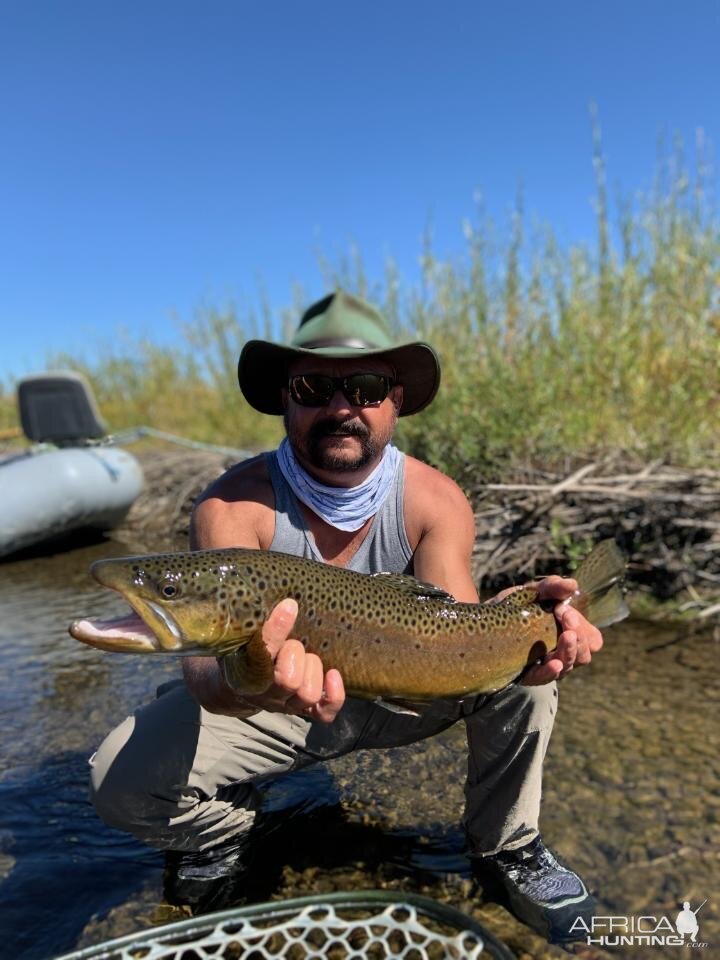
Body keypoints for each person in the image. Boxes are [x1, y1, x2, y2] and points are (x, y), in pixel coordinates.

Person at [89, 290, 603, 943]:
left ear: (395, 401)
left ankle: (508, 848)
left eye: (363, 387)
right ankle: (220, 833)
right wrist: (245, 682)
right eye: (313, 385)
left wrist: (531, 619)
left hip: (407, 689)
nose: (341, 407)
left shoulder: (436, 498)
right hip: (266, 699)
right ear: (284, 397)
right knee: (118, 779)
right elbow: (199, 663)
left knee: (531, 678)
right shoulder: (231, 504)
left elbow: (456, 621)